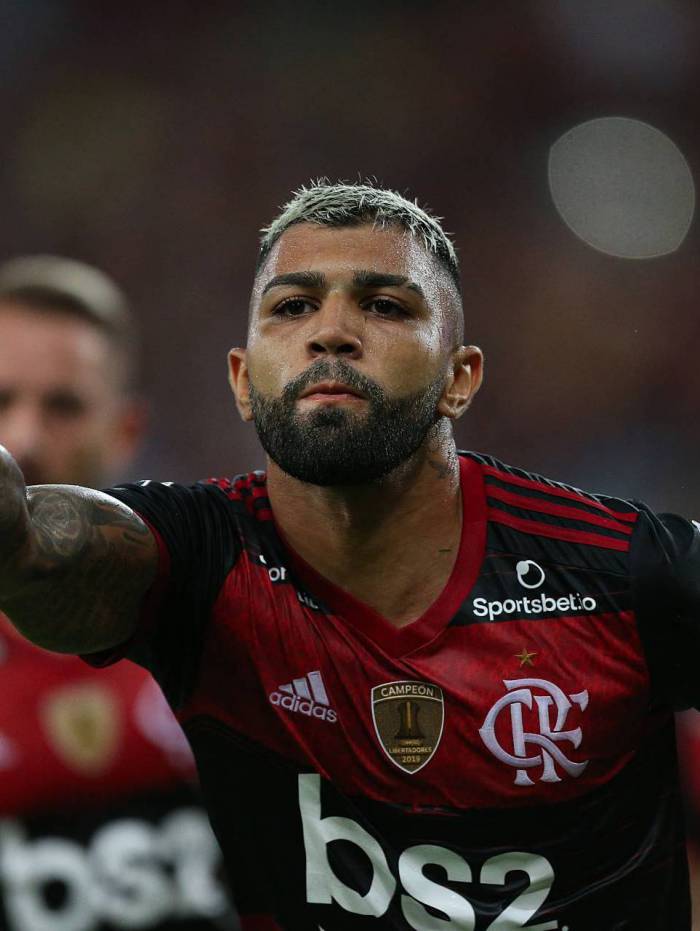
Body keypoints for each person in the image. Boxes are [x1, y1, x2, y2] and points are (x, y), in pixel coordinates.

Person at [0, 180, 699, 930]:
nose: (331, 331)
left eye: (386, 305)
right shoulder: (202, 561)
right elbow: (41, 546)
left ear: (460, 379)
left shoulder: (620, 573)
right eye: (293, 305)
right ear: (242, 378)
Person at [0, 256, 236, 931]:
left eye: (64, 406)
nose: (23, 440)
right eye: (1, 402)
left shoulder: (230, 630)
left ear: (126, 432)